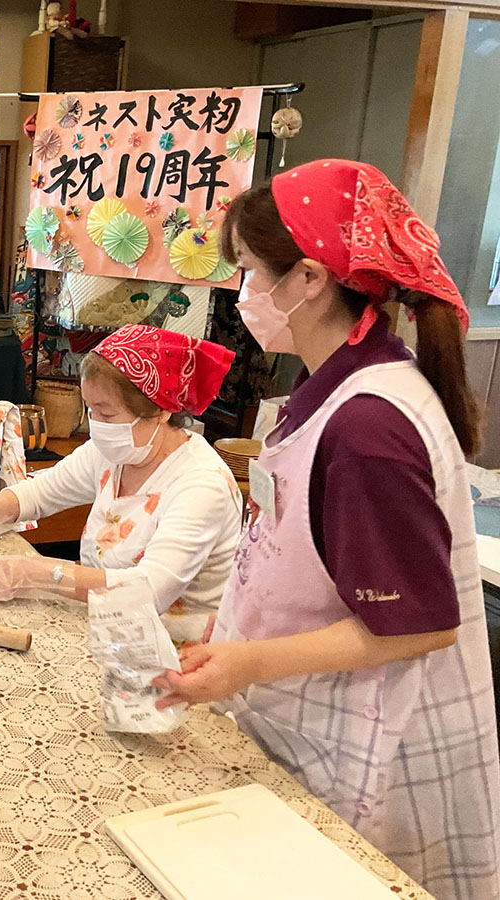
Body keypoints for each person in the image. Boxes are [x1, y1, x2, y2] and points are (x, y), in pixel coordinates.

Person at [153, 159, 500, 900]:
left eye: (247, 271)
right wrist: (228, 623)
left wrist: (246, 664)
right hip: (304, 708)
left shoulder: (369, 425)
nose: (242, 293)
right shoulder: (332, 383)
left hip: (369, 735)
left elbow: (418, 624)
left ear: (309, 279)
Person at [0, 325, 241, 643]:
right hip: (105, 625)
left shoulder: (201, 487)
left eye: (107, 413)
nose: (95, 426)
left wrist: (31, 573)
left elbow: (147, 591)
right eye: (90, 410)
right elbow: (41, 491)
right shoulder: (117, 450)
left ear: (160, 411)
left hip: (176, 650)